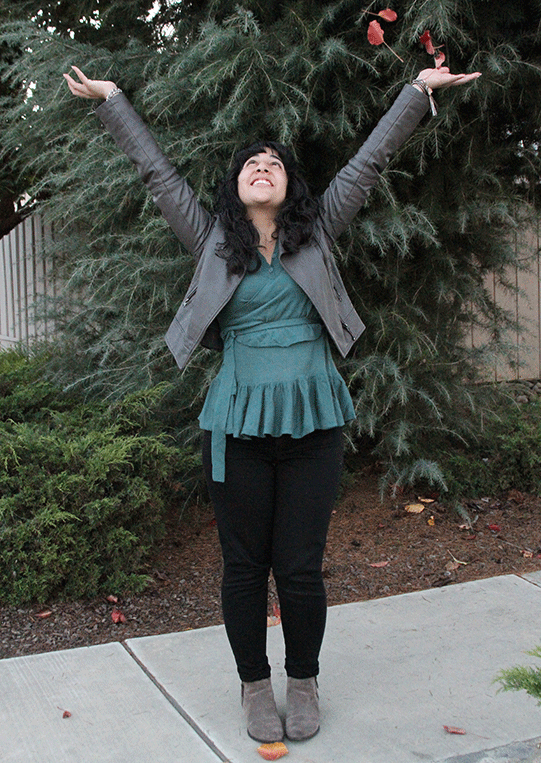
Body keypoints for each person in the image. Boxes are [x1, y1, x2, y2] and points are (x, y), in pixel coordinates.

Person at [64, 62, 481, 744]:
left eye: (275, 162)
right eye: (251, 162)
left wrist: (417, 92)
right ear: (235, 185)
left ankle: (304, 678)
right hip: (235, 427)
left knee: (299, 565)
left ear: (290, 185)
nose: (263, 165)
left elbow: (368, 163)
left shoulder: (316, 231)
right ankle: (255, 684)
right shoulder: (212, 242)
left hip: (315, 422)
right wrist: (113, 101)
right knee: (244, 565)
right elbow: (157, 175)